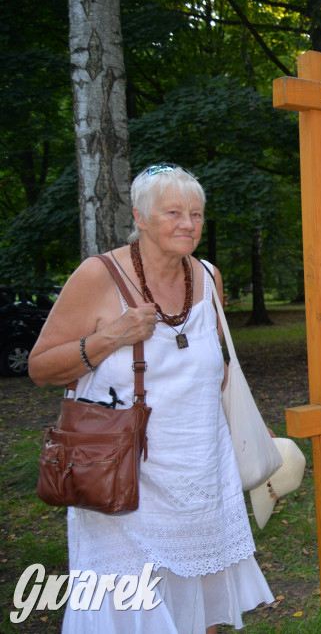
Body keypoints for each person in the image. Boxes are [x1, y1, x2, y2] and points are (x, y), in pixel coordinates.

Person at [29, 164, 273, 632]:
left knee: (197, 602)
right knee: (129, 609)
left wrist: (248, 424)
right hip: (120, 475)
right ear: (140, 217)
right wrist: (112, 336)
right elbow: (40, 368)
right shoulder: (98, 275)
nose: (188, 224)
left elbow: (215, 365)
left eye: (196, 214)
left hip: (202, 472)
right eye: (173, 212)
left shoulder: (208, 277)